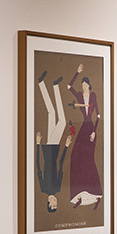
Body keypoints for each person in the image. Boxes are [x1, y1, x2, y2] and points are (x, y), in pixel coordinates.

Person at [67, 64, 103, 207]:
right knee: (75, 157)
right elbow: (69, 87)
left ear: (88, 85)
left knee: (88, 159)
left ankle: (96, 194)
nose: (83, 86)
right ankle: (79, 194)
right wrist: (77, 72)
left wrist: (95, 131)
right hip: (84, 127)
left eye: (84, 84)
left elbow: (99, 115)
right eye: (81, 85)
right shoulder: (79, 96)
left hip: (91, 129)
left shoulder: (93, 95)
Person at [35, 72, 72, 212]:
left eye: (53, 205)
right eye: (56, 205)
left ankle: (54, 86)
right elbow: (61, 164)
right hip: (54, 149)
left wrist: (37, 144)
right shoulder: (57, 188)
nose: (55, 202)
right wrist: (66, 146)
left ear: (48, 203)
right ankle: (43, 83)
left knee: (62, 121)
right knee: (51, 113)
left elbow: (38, 166)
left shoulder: (44, 188)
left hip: (48, 150)